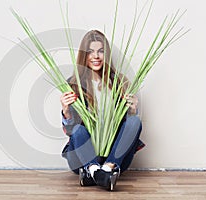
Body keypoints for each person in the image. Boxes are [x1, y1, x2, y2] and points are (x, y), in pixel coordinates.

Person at [60, 30, 145, 191]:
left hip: (114, 156)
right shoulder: (73, 84)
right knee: (78, 129)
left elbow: (127, 128)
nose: (96, 56)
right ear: (84, 55)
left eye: (101, 51)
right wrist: (66, 112)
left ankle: (102, 171)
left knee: (135, 121)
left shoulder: (119, 82)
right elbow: (71, 130)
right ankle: (95, 170)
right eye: (90, 51)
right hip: (81, 156)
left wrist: (132, 110)